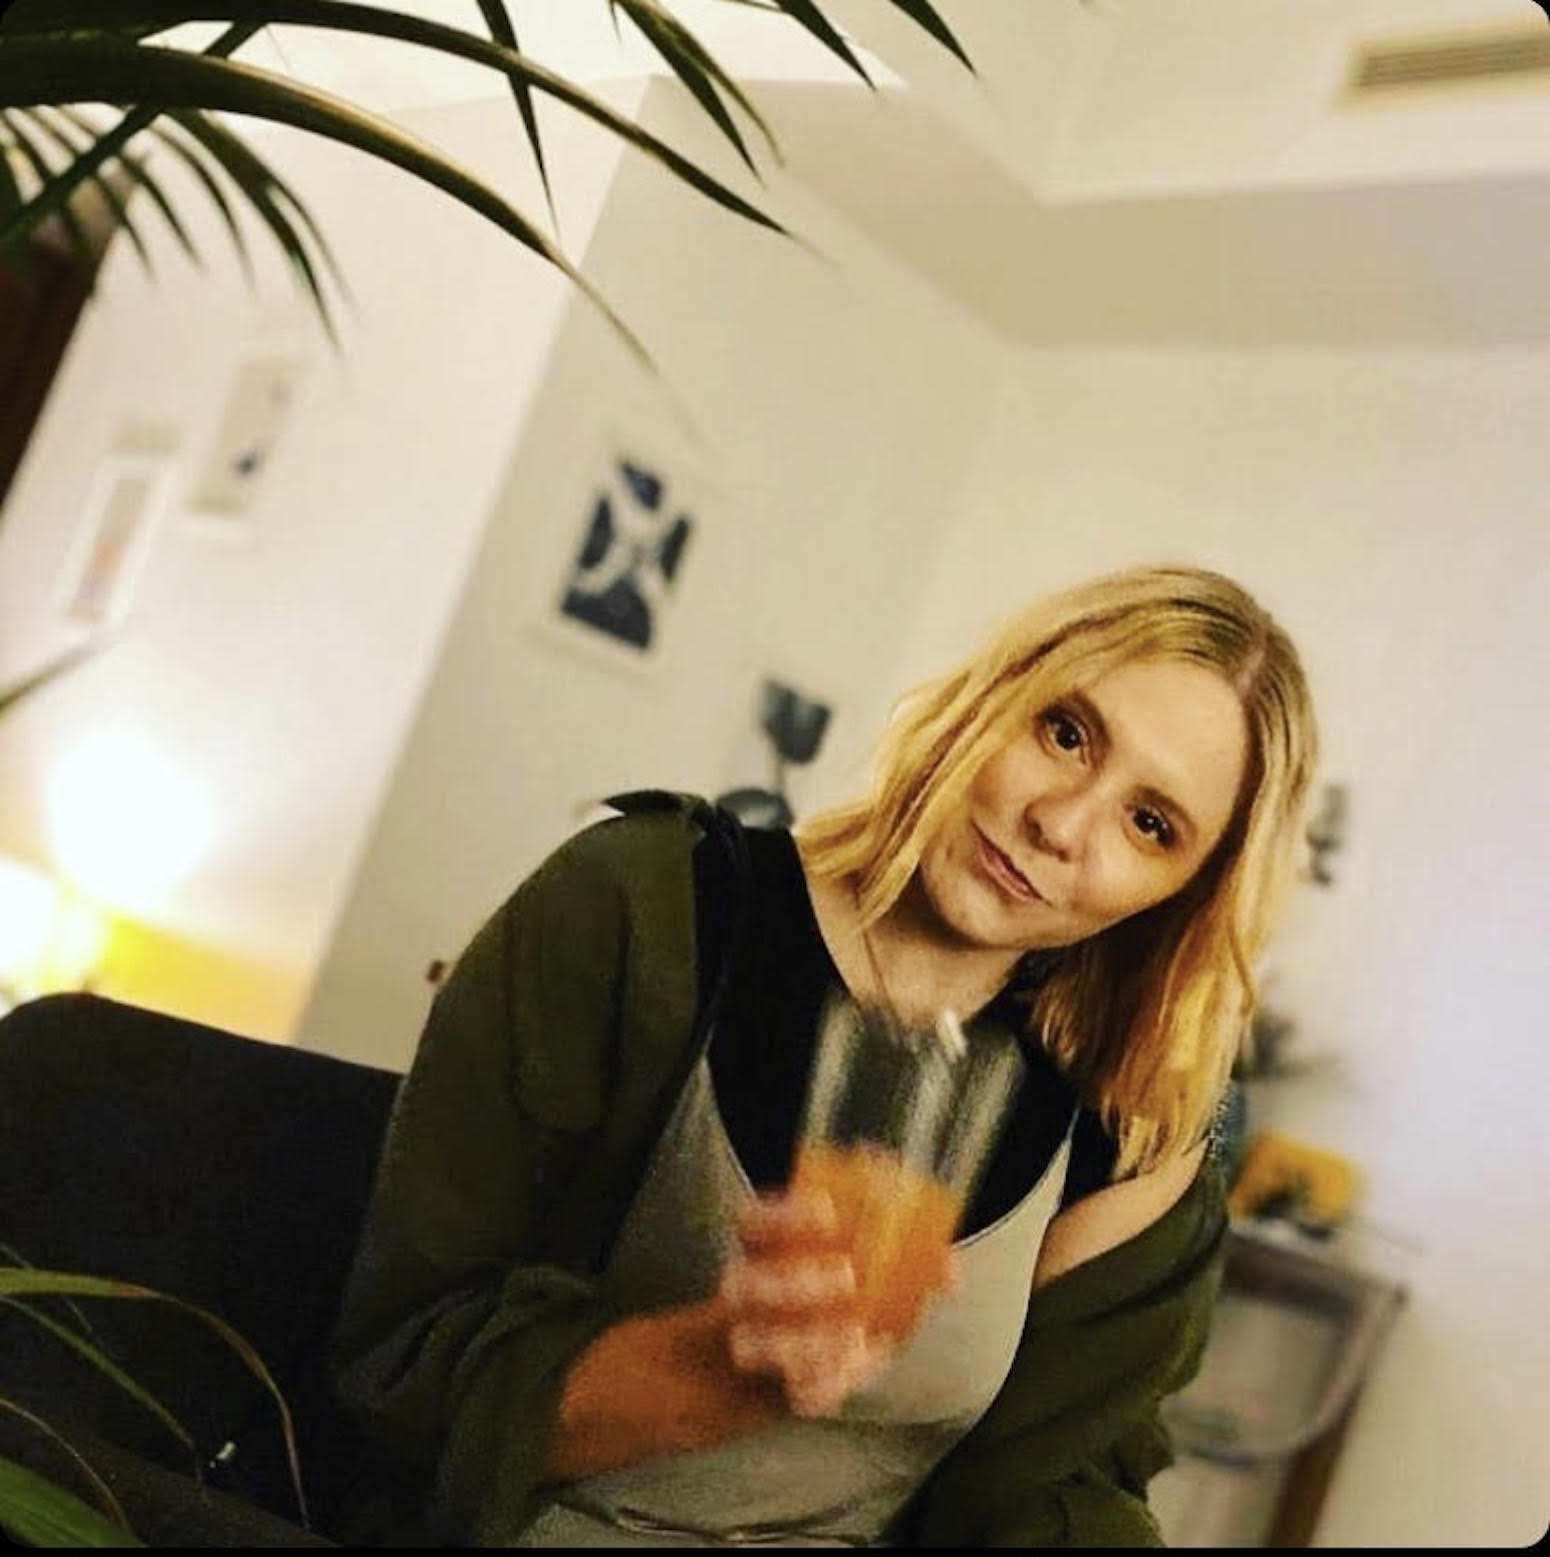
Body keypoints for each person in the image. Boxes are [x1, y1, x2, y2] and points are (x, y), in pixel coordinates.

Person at [330, 563, 1318, 1547]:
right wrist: (706, 1369)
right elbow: (400, 1361)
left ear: (1184, 895)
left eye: (1149, 824)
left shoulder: (1122, 1123)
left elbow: (1059, 1488)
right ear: (994, 697)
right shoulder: (648, 908)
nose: (1058, 824)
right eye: (1064, 733)